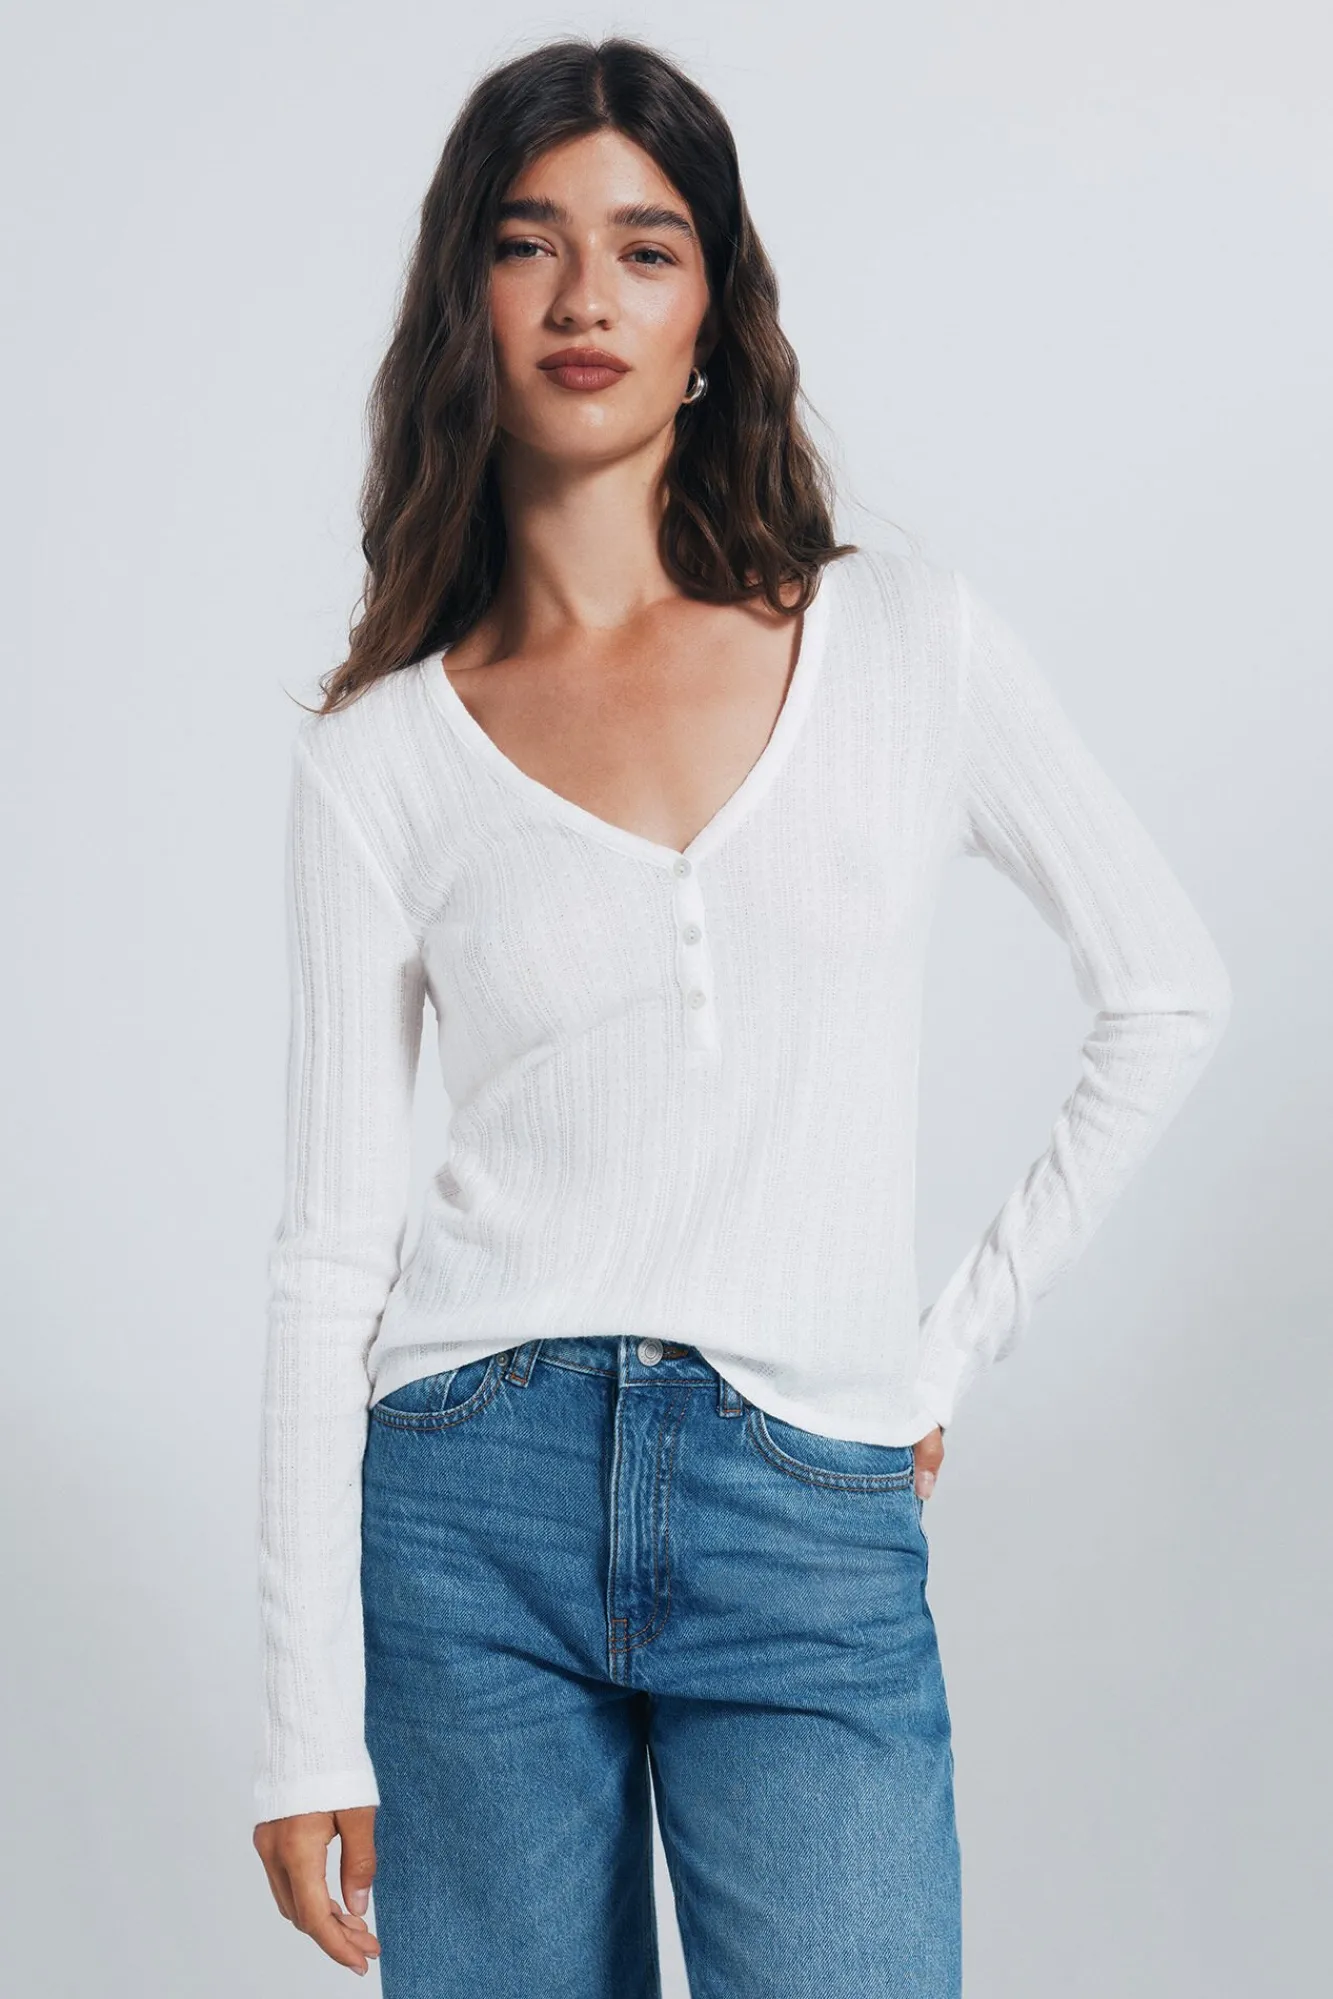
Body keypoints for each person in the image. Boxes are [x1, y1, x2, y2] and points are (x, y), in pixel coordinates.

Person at [250, 35, 1232, 1999]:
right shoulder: (382, 759)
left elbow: (1165, 990)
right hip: (469, 1506)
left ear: (714, 313)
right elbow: (327, 1252)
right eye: (528, 244)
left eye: (645, 247)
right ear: (466, 306)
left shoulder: (904, 644)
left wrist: (937, 1354)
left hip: (808, 1509)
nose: (585, 296)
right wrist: (300, 1725)